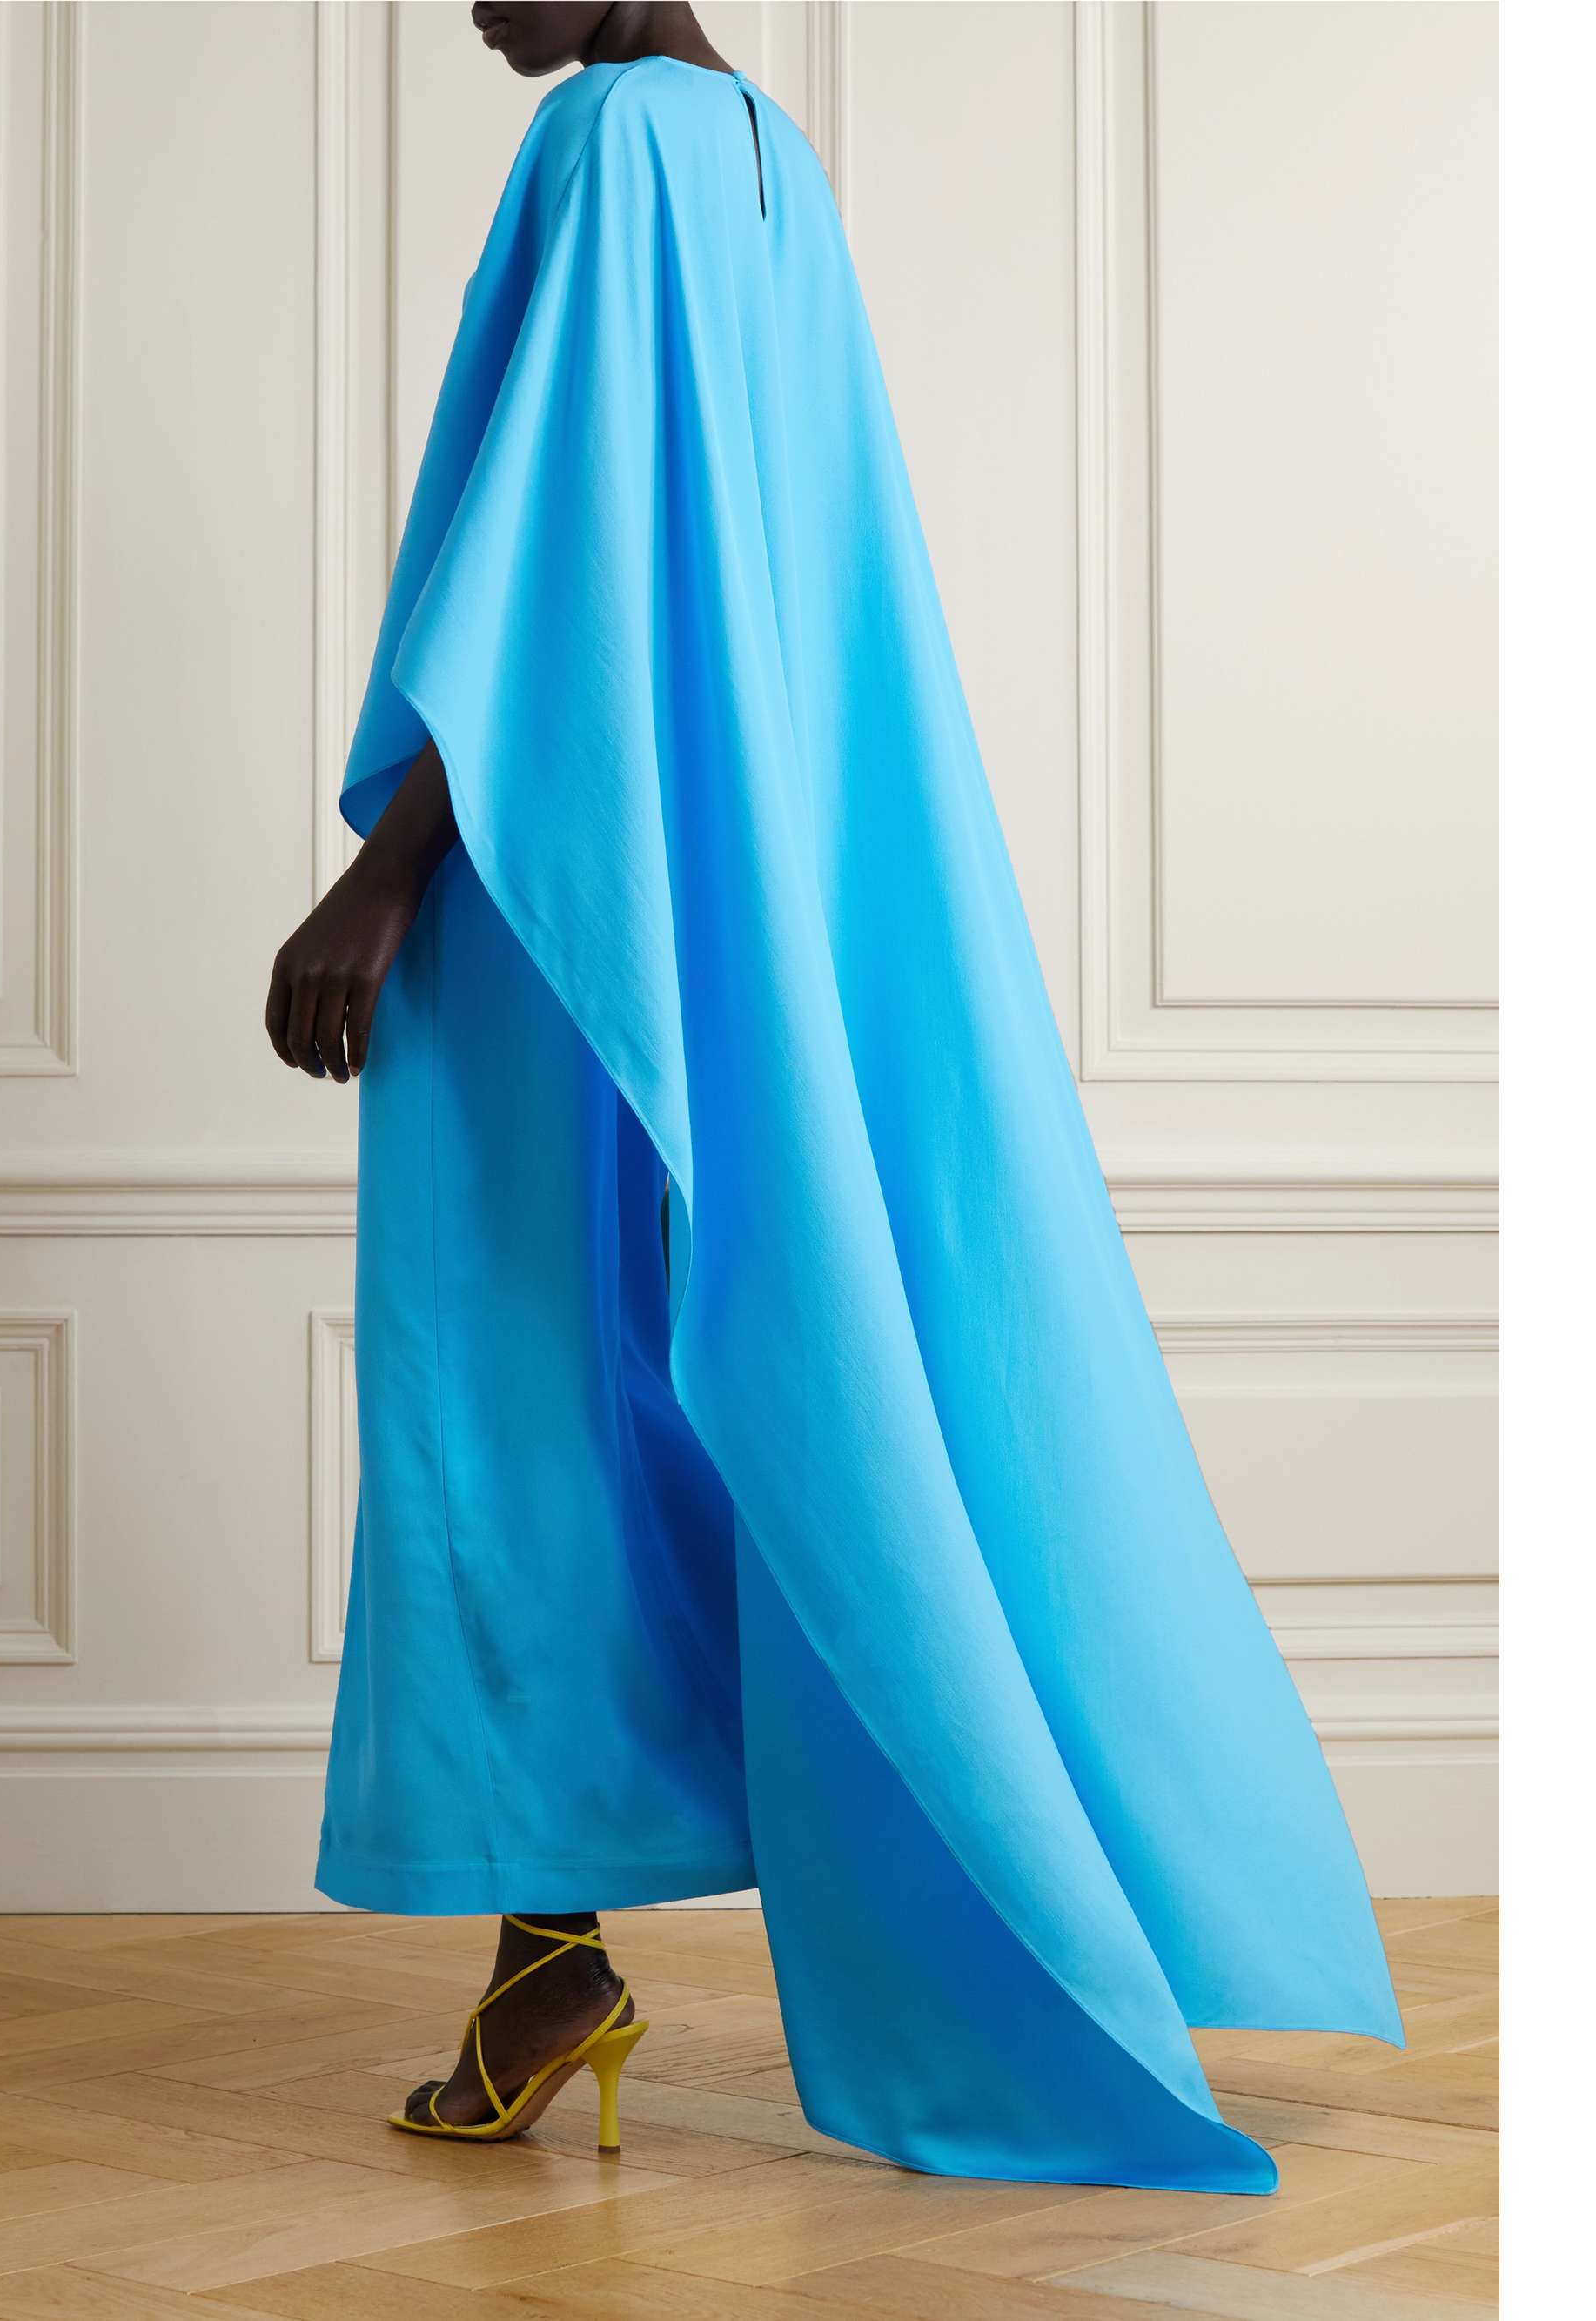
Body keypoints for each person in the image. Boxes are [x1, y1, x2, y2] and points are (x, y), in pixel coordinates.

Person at [265, 1, 1402, 2187]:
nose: (467, 1)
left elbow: (553, 551)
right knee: (695, 1382)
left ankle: (560, 1955)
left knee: (515, 1397)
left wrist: (381, 877)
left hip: (559, 879)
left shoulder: (614, 137)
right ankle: (567, 1959)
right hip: (717, 872)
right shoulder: (769, 164)